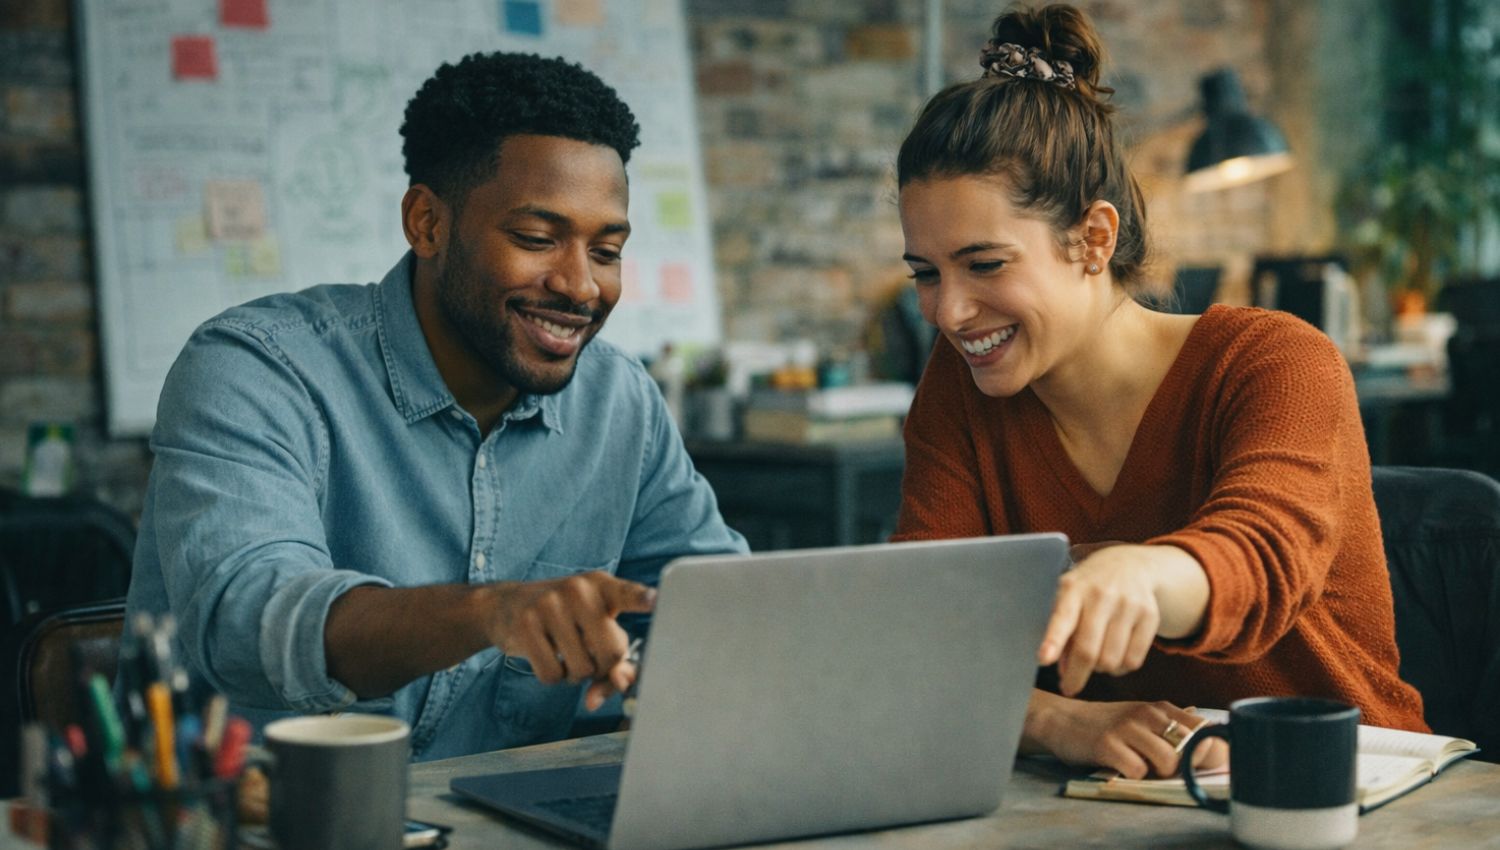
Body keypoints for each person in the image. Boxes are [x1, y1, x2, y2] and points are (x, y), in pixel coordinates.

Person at [124, 52, 747, 761]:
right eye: (537, 240)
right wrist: (494, 613)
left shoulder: (620, 401)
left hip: (502, 823)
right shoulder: (256, 369)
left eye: (605, 250)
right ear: (426, 224)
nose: (581, 287)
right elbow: (250, 623)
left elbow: (719, 604)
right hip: (258, 822)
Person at [891, 4, 1426, 779]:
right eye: (925, 274)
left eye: (984, 264)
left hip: (1345, 785)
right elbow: (918, 618)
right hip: (1106, 802)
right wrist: (1059, 722)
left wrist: (1141, 572)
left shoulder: (1275, 361)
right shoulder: (961, 389)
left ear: (1094, 239)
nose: (948, 311)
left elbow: (1260, 554)